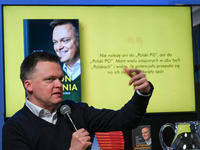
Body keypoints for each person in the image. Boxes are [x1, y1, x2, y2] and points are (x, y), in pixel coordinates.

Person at [2, 51, 154, 150]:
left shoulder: (75, 110)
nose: (59, 84)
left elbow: (125, 120)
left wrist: (142, 92)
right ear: (28, 85)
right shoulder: (15, 128)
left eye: (60, 79)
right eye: (50, 79)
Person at [50, 19, 81, 102]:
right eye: (55, 42)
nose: (59, 47)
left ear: (79, 40)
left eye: (65, 40)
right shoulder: (50, 75)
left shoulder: (94, 71)